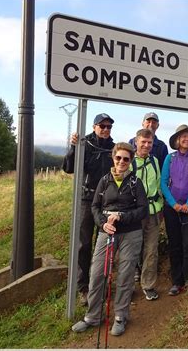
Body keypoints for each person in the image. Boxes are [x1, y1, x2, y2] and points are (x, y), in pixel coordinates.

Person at [71, 142, 148, 336]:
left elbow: (143, 210)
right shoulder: (104, 181)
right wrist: (102, 223)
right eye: (118, 158)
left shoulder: (135, 183)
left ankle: (120, 316)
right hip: (107, 232)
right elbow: (95, 206)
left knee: (125, 275)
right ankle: (92, 316)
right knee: (97, 273)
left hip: (131, 233)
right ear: (113, 158)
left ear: (131, 162)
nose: (122, 162)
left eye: (126, 159)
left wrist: (122, 216)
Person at [62, 113, 115, 306]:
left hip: (105, 202)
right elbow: (68, 168)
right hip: (86, 199)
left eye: (109, 126)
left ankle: (100, 284)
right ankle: (82, 287)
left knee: (104, 245)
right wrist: (73, 147)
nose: (106, 129)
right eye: (102, 126)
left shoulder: (112, 147)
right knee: (83, 244)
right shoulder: (84, 144)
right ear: (94, 126)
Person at [161, 124, 188, 295]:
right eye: (183, 136)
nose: (186, 139)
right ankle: (177, 282)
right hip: (172, 208)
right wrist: (173, 203)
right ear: (177, 140)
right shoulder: (169, 158)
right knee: (175, 245)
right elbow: (163, 182)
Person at [131, 128, 164, 301]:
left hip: (152, 211)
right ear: (136, 141)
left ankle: (148, 285)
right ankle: (127, 286)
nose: (146, 145)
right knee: (131, 250)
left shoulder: (155, 161)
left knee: (151, 250)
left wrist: (160, 206)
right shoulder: (129, 160)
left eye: (149, 142)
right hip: (134, 213)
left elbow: (159, 185)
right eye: (143, 142)